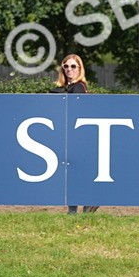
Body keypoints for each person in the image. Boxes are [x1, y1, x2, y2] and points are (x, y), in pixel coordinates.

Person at [54, 54, 97, 213]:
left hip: (78, 136)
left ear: (80, 69)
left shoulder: (78, 87)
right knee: (73, 173)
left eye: (73, 66)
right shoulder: (66, 88)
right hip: (70, 135)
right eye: (66, 66)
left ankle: (83, 206)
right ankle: (81, 207)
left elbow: (79, 112)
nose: (69, 70)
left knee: (76, 173)